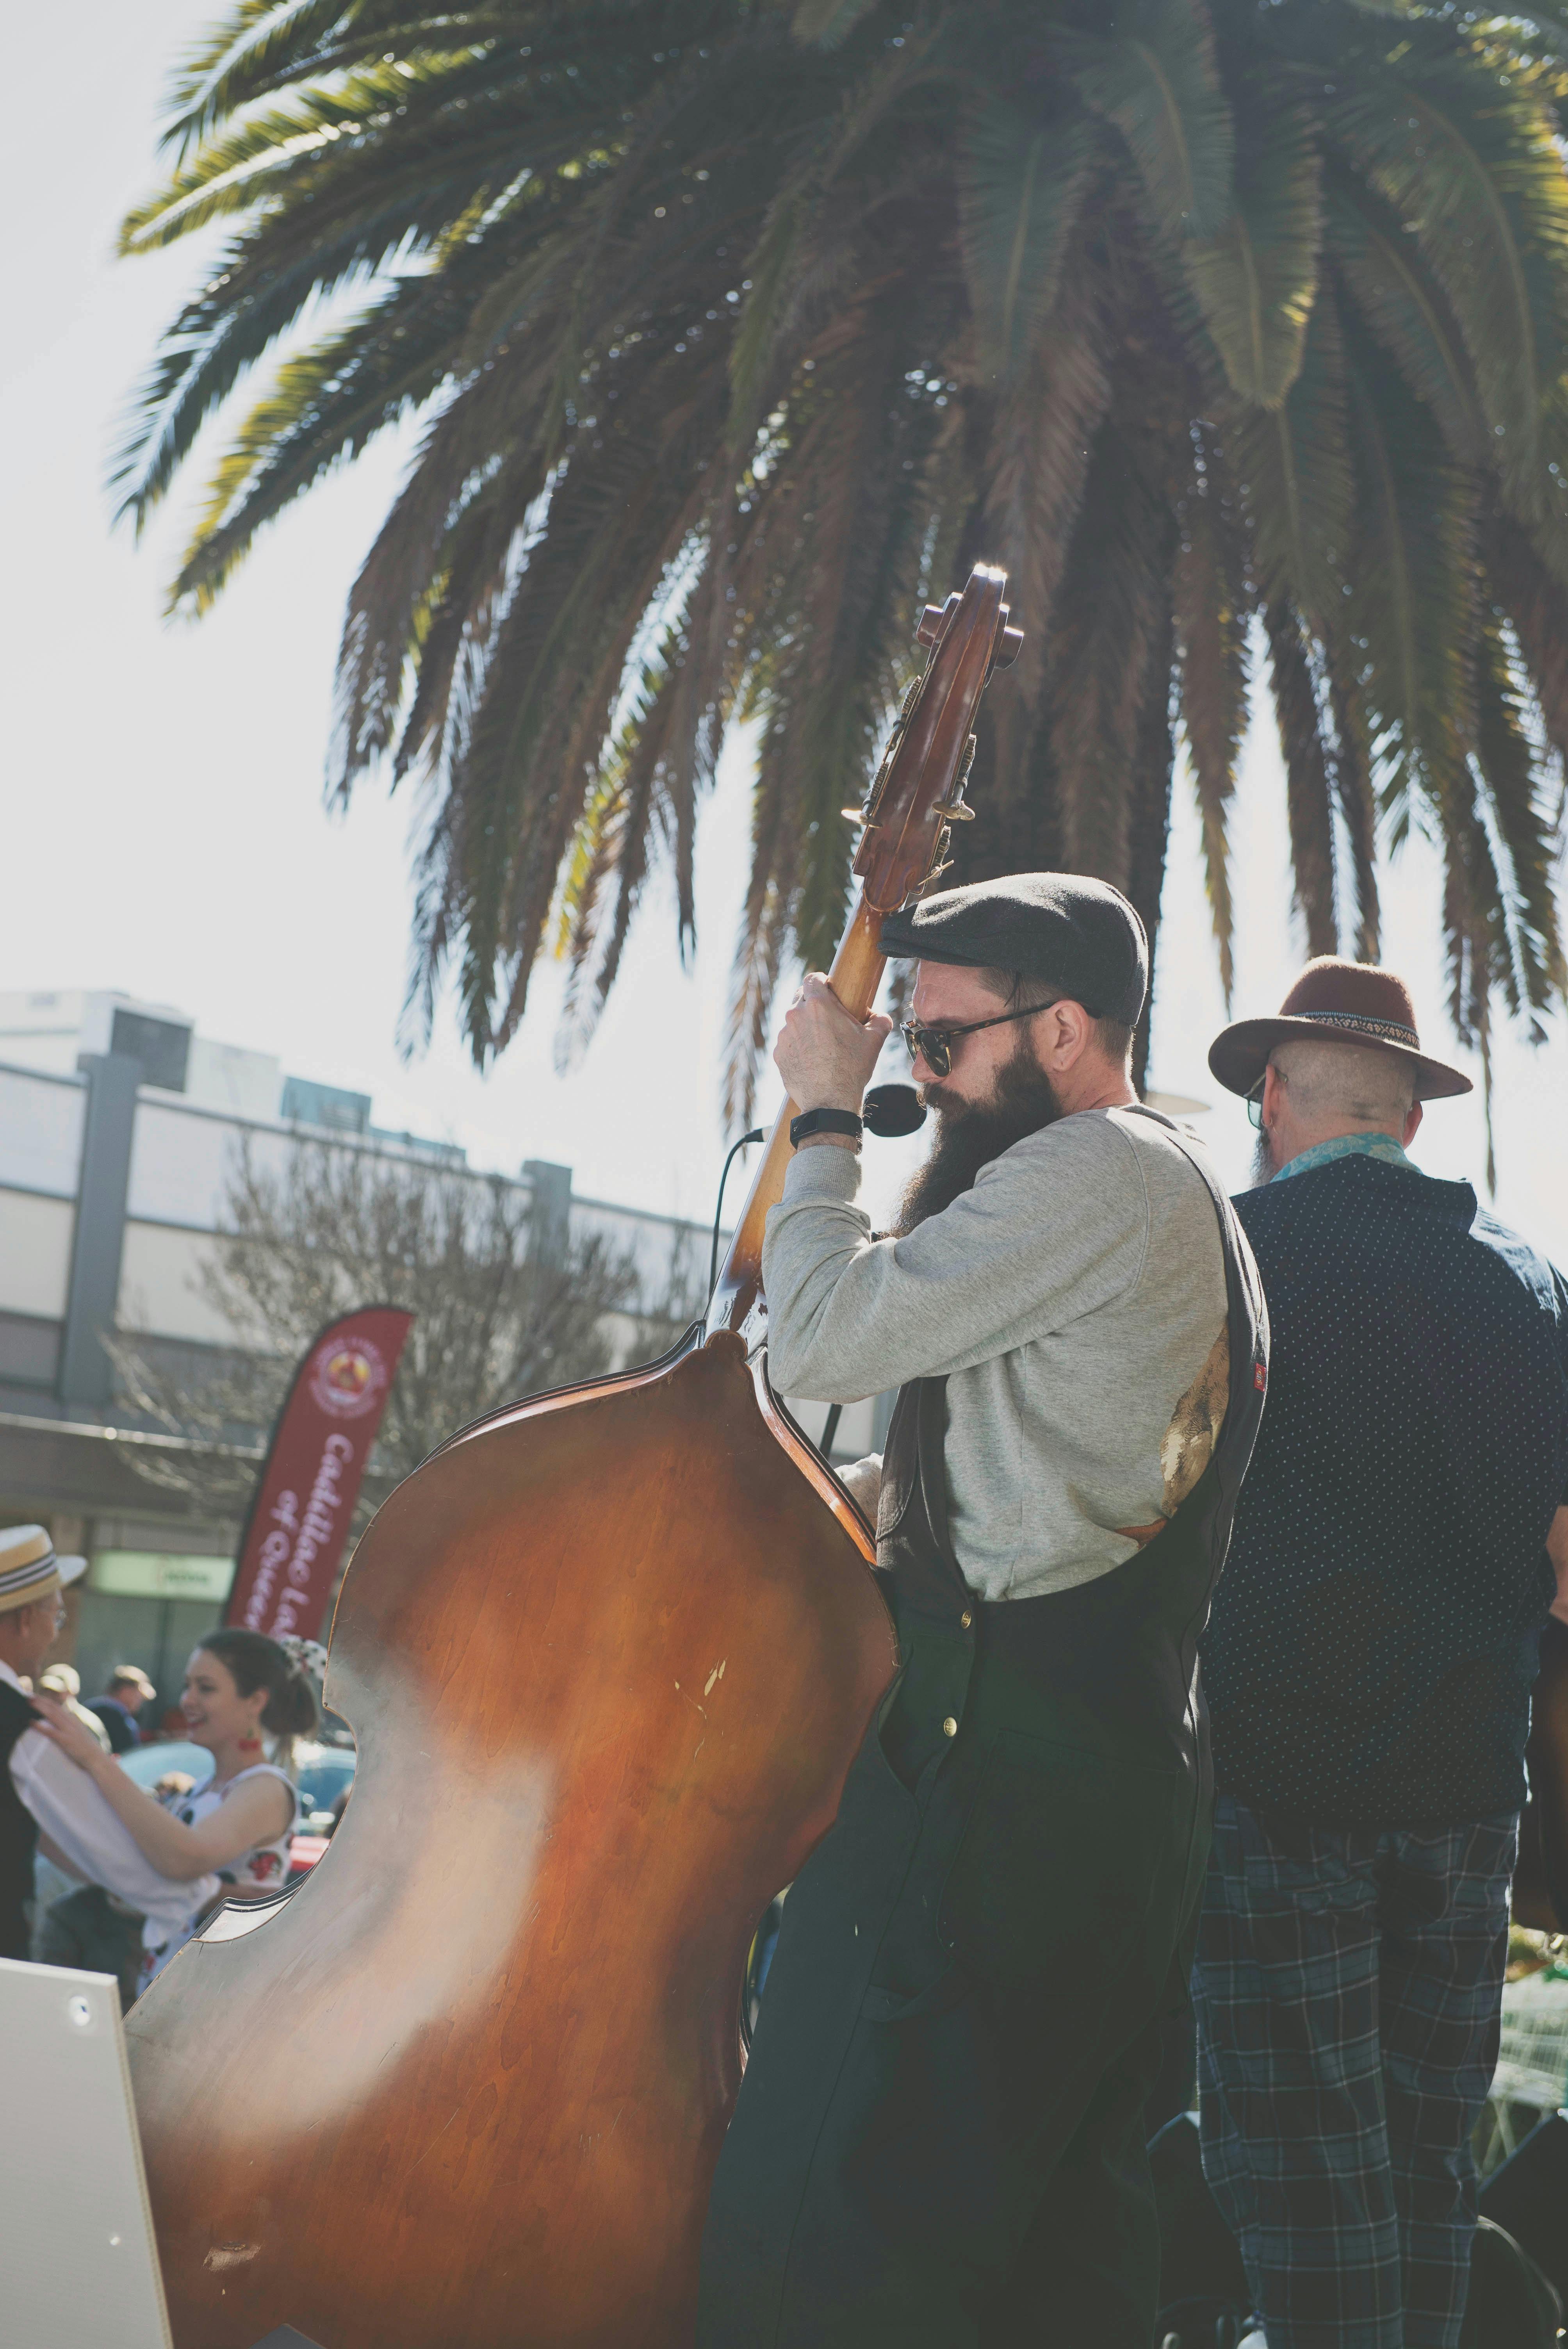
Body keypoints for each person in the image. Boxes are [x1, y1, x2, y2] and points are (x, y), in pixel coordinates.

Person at [697, 873, 1269, 2349]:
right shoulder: (1165, 1188)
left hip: (984, 1786)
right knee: (1054, 2271)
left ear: (1065, 1028)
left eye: (942, 1041)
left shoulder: (1097, 1169)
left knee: (827, 2235)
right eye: (908, 1046)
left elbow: (822, 1339)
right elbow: (1018, 1467)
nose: (921, 1075)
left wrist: (824, 1115)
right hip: (1097, 1789)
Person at [1193, 958, 1568, 2349]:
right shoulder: (1530, 1280)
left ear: (1274, 1096)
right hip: (1468, 1792)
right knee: (1425, 2175)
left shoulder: (1233, 1253)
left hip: (1281, 1778)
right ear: (1410, 1114)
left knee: (1309, 2189)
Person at [29, 1626, 319, 1991]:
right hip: (167, 1989)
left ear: (255, 1701)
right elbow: (120, 1867)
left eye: (206, 1688)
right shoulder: (200, 1790)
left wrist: (94, 1760)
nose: (187, 1701)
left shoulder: (266, 1788)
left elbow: (184, 1860)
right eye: (188, 1686)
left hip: (217, 1995)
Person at [39, 1663, 112, 1753]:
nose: (49, 1695)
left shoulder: (86, 1723)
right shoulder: (38, 1717)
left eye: (56, 1692)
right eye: (46, 1690)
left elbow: (100, 1757)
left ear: (72, 1692)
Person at [86, 1665, 156, 1755]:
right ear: (125, 1690)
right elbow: (130, 1755)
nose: (140, 1701)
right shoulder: (118, 1716)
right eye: (139, 1695)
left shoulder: (90, 1707)